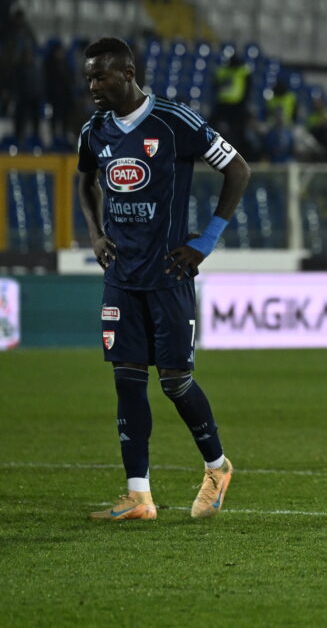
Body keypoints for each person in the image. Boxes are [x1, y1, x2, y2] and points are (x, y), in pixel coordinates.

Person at [76, 37, 250, 521]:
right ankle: (139, 496)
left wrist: (206, 240)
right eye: (88, 76)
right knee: (127, 382)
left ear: (127, 73)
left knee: (175, 383)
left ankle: (217, 467)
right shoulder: (95, 130)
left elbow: (238, 170)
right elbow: (84, 180)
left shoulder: (176, 123)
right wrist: (94, 235)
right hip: (121, 276)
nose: (92, 85)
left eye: (100, 76)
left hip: (169, 274)